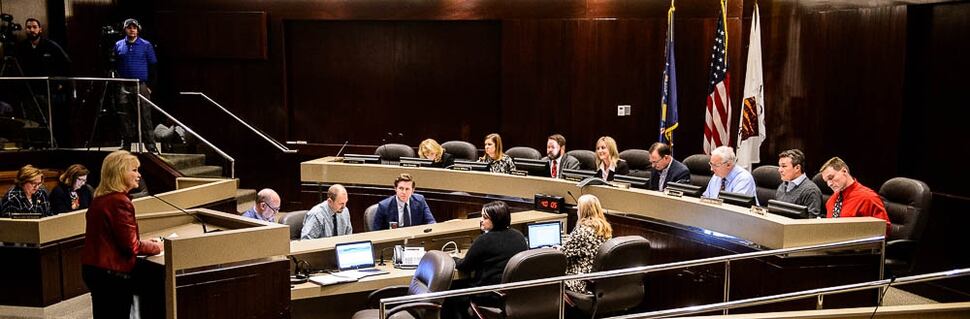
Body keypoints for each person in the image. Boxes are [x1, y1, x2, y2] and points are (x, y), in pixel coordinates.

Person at [80, 150, 162, 318]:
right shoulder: (119, 202)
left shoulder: (100, 199)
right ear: (119, 172)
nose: (139, 175)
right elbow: (130, 247)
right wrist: (157, 246)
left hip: (95, 271)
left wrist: (142, 241)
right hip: (112, 274)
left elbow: (112, 239)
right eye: (134, 170)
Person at [455, 201, 529, 308]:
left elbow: (464, 266)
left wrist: (452, 259)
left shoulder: (484, 240)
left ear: (496, 219)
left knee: (453, 296)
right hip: (514, 297)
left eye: (485, 218)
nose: (481, 220)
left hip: (488, 295)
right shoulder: (519, 236)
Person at [115, 18, 159, 153]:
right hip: (123, 84)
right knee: (124, 115)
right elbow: (115, 63)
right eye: (129, 27)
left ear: (138, 29)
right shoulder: (118, 44)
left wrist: (151, 85)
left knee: (145, 116)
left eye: (134, 27)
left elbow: (153, 66)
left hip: (140, 84)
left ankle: (150, 146)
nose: (132, 30)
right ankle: (126, 144)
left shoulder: (146, 45)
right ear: (125, 29)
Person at [819, 157, 891, 234]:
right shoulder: (831, 201)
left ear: (844, 171)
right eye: (826, 181)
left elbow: (884, 229)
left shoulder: (868, 198)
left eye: (831, 177)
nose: (829, 184)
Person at [559, 194, 612, 294]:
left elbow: (561, 255)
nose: (577, 212)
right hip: (597, 280)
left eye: (578, 209)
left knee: (549, 276)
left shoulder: (583, 231)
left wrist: (555, 248)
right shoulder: (605, 229)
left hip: (581, 280)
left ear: (582, 211)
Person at [775, 149, 823, 218]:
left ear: (797, 168)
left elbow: (811, 223)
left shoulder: (811, 191)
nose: (779, 170)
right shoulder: (782, 186)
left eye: (784, 166)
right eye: (779, 166)